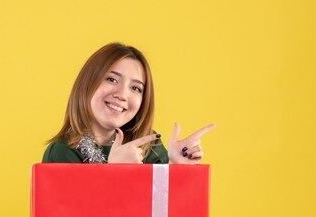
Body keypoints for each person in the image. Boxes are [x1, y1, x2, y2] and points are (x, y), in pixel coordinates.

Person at [42, 43, 215, 164]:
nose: (123, 95)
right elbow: (69, 216)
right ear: (87, 83)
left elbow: (170, 212)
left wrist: (175, 166)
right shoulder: (62, 152)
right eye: (111, 79)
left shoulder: (148, 145)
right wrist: (116, 173)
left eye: (135, 88)